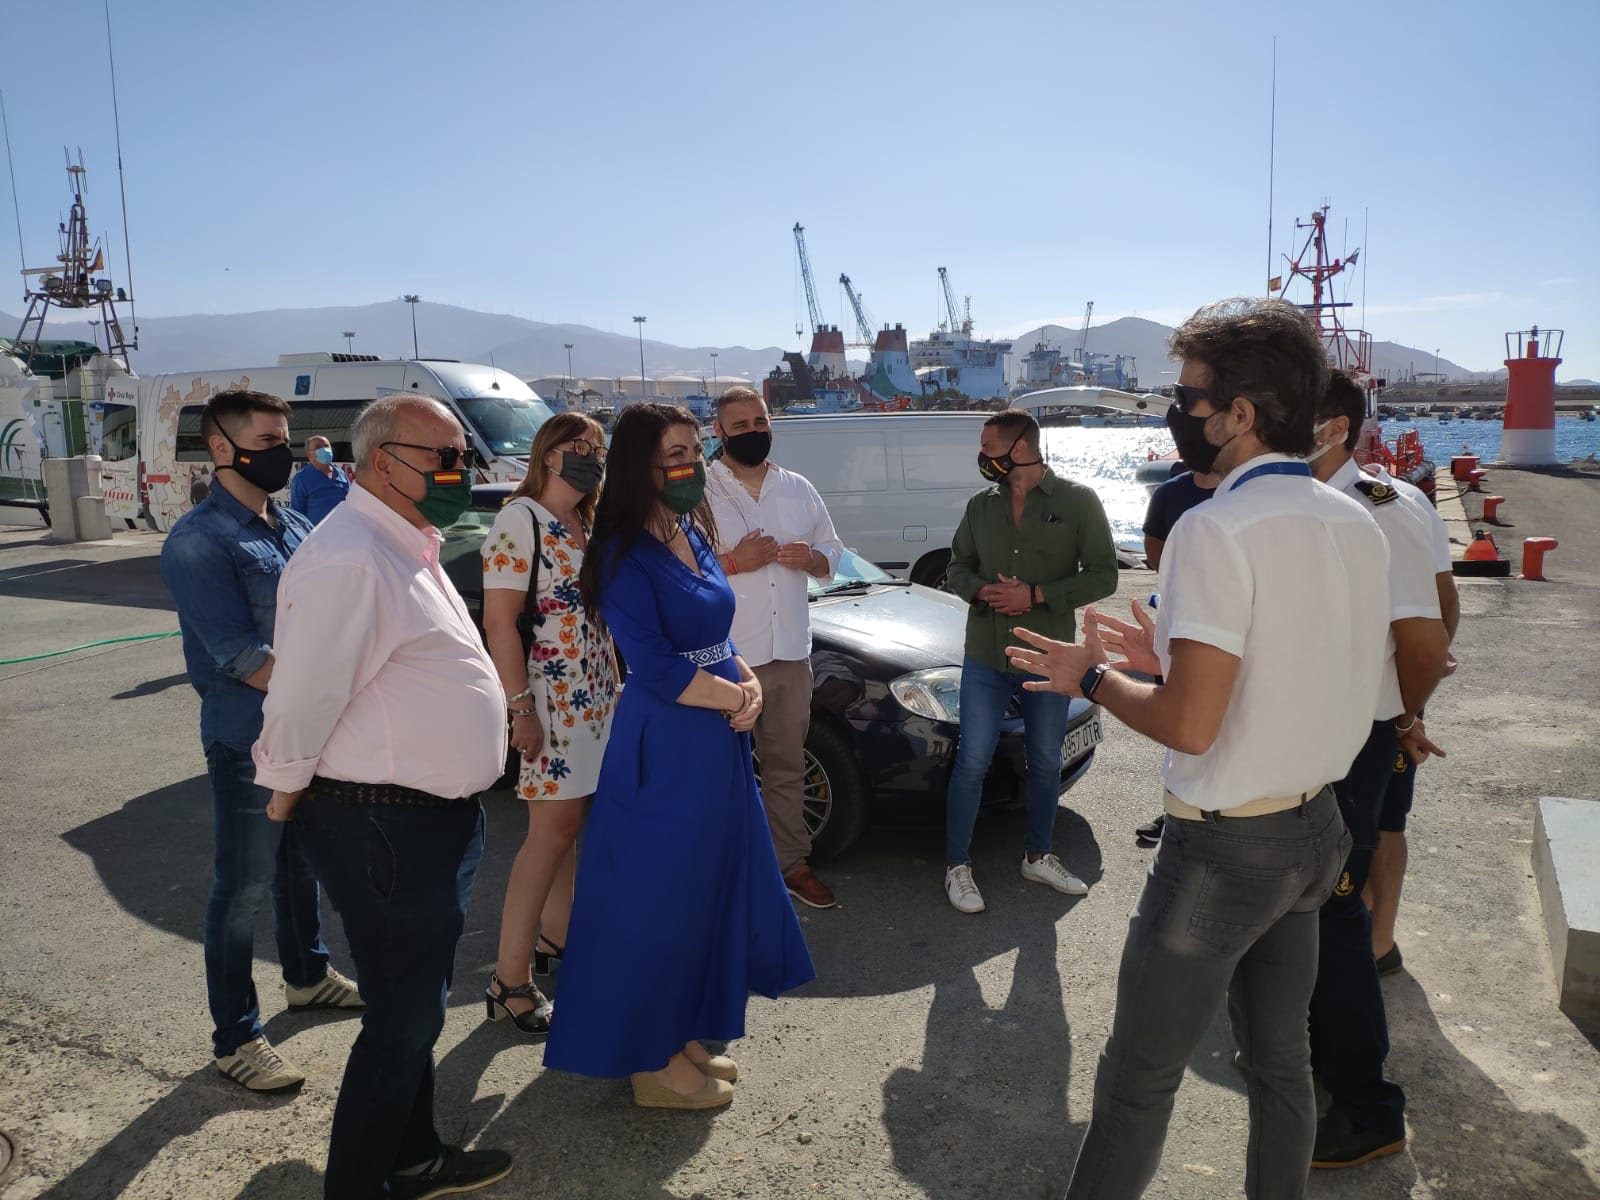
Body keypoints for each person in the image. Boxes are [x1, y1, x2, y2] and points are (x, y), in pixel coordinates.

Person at [1005, 297, 1388, 1198]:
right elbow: (1306, 660)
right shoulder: (1354, 519)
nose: (1176, 413)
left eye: (1187, 397)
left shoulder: (1213, 528)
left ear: (1239, 414)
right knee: (1281, 1065)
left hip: (1225, 849)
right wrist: (1170, 660)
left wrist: (1092, 677)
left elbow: (1188, 725)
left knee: (1137, 1084)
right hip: (1317, 829)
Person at [253, 394, 514, 1200]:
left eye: (462, 455)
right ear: (379, 462)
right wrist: (284, 789)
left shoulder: (405, 541)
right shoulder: (352, 558)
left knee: (417, 1007)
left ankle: (413, 1157)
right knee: (403, 1020)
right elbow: (302, 695)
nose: (459, 471)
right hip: (383, 822)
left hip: (428, 821)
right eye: (443, 457)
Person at [543, 402, 814, 1111]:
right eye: (675, 454)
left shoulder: (691, 529)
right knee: (657, 900)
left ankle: (682, 1031)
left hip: (714, 737)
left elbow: (717, 637)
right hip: (667, 743)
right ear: (641, 465)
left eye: (694, 450)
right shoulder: (619, 551)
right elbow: (658, 666)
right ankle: (651, 1059)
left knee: (701, 894)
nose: (691, 464)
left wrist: (748, 681)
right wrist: (737, 699)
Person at [158, 389, 361, 1095]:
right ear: (222, 448)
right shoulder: (198, 541)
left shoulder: (293, 522)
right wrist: (331, 692)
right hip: (249, 737)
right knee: (242, 885)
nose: (285, 452)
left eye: (285, 439)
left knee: (298, 865)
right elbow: (240, 657)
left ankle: (306, 976)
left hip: (303, 731)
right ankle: (237, 1038)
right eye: (267, 441)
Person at [1303, 368, 1450, 1169]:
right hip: (1327, 731)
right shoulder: (1310, 503)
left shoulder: (1378, 508)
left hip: (1358, 734)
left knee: (1335, 912)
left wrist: (1404, 714)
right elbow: (1442, 604)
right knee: (1317, 907)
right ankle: (1317, 1052)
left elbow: (1431, 630)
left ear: (1332, 427)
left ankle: (1367, 1108)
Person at [941, 408, 1117, 914]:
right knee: (972, 761)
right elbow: (957, 567)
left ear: (1019, 448)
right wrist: (983, 591)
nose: (981, 456)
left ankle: (1038, 856)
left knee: (1044, 761)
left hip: (1048, 658)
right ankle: (957, 866)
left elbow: (1104, 574)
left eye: (987, 446)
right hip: (985, 654)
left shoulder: (1078, 501)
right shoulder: (980, 506)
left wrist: (1036, 595)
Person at [481, 412, 618, 1035]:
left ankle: (558, 937)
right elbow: (499, 624)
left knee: (567, 829)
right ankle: (508, 979)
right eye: (576, 444)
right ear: (547, 453)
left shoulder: (586, 522)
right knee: (550, 832)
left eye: (597, 446)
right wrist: (520, 709)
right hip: (550, 699)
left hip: (596, 696)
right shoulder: (521, 520)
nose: (589, 454)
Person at [705, 386, 845, 909]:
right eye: (740, 425)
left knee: (786, 765)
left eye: (759, 422)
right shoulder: (700, 490)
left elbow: (833, 548)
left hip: (788, 654)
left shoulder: (798, 487)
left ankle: (791, 865)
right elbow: (674, 569)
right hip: (723, 658)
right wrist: (734, 562)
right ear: (718, 431)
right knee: (715, 771)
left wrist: (814, 559)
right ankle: (719, 871)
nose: (752, 432)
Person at [1360, 459, 1459, 975]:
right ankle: (1363, 927)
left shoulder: (1392, 502)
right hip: (1354, 701)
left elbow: (1443, 604)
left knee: (1384, 820)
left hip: (1385, 701)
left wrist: (1408, 708)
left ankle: (1379, 942)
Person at [1132, 405, 1224, 845]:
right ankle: (1177, 809)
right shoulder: (1170, 494)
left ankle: (1219, 810)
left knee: (1223, 716)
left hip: (1225, 624)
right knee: (1178, 718)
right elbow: (1153, 550)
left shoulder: (1240, 495)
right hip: (1179, 622)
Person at [288, 434, 350, 524]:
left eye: (326, 446)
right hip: (317, 532)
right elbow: (296, 515)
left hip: (343, 529)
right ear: (309, 454)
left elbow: (350, 501)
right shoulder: (301, 479)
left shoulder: (341, 474)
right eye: (318, 447)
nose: (324, 449)